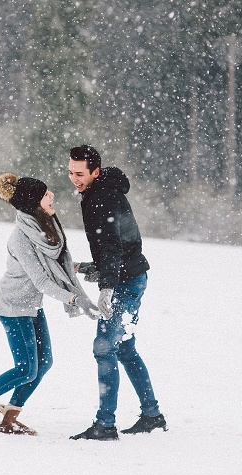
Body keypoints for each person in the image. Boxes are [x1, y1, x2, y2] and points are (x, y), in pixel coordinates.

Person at [0, 172, 99, 436]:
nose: (51, 195)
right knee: (25, 369)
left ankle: (8, 417)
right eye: (45, 194)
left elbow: (53, 266)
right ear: (33, 202)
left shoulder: (44, 226)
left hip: (31, 306)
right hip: (13, 307)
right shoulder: (21, 237)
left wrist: (79, 269)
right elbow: (41, 279)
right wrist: (75, 298)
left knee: (44, 363)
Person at [67, 145, 167, 441]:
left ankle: (105, 425)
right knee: (123, 347)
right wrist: (86, 267)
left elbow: (111, 246)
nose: (74, 178)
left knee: (104, 346)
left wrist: (107, 287)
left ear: (95, 172)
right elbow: (114, 248)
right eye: (70, 172)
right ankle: (151, 415)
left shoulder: (101, 199)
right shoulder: (100, 192)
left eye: (80, 173)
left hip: (126, 282)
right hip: (131, 275)